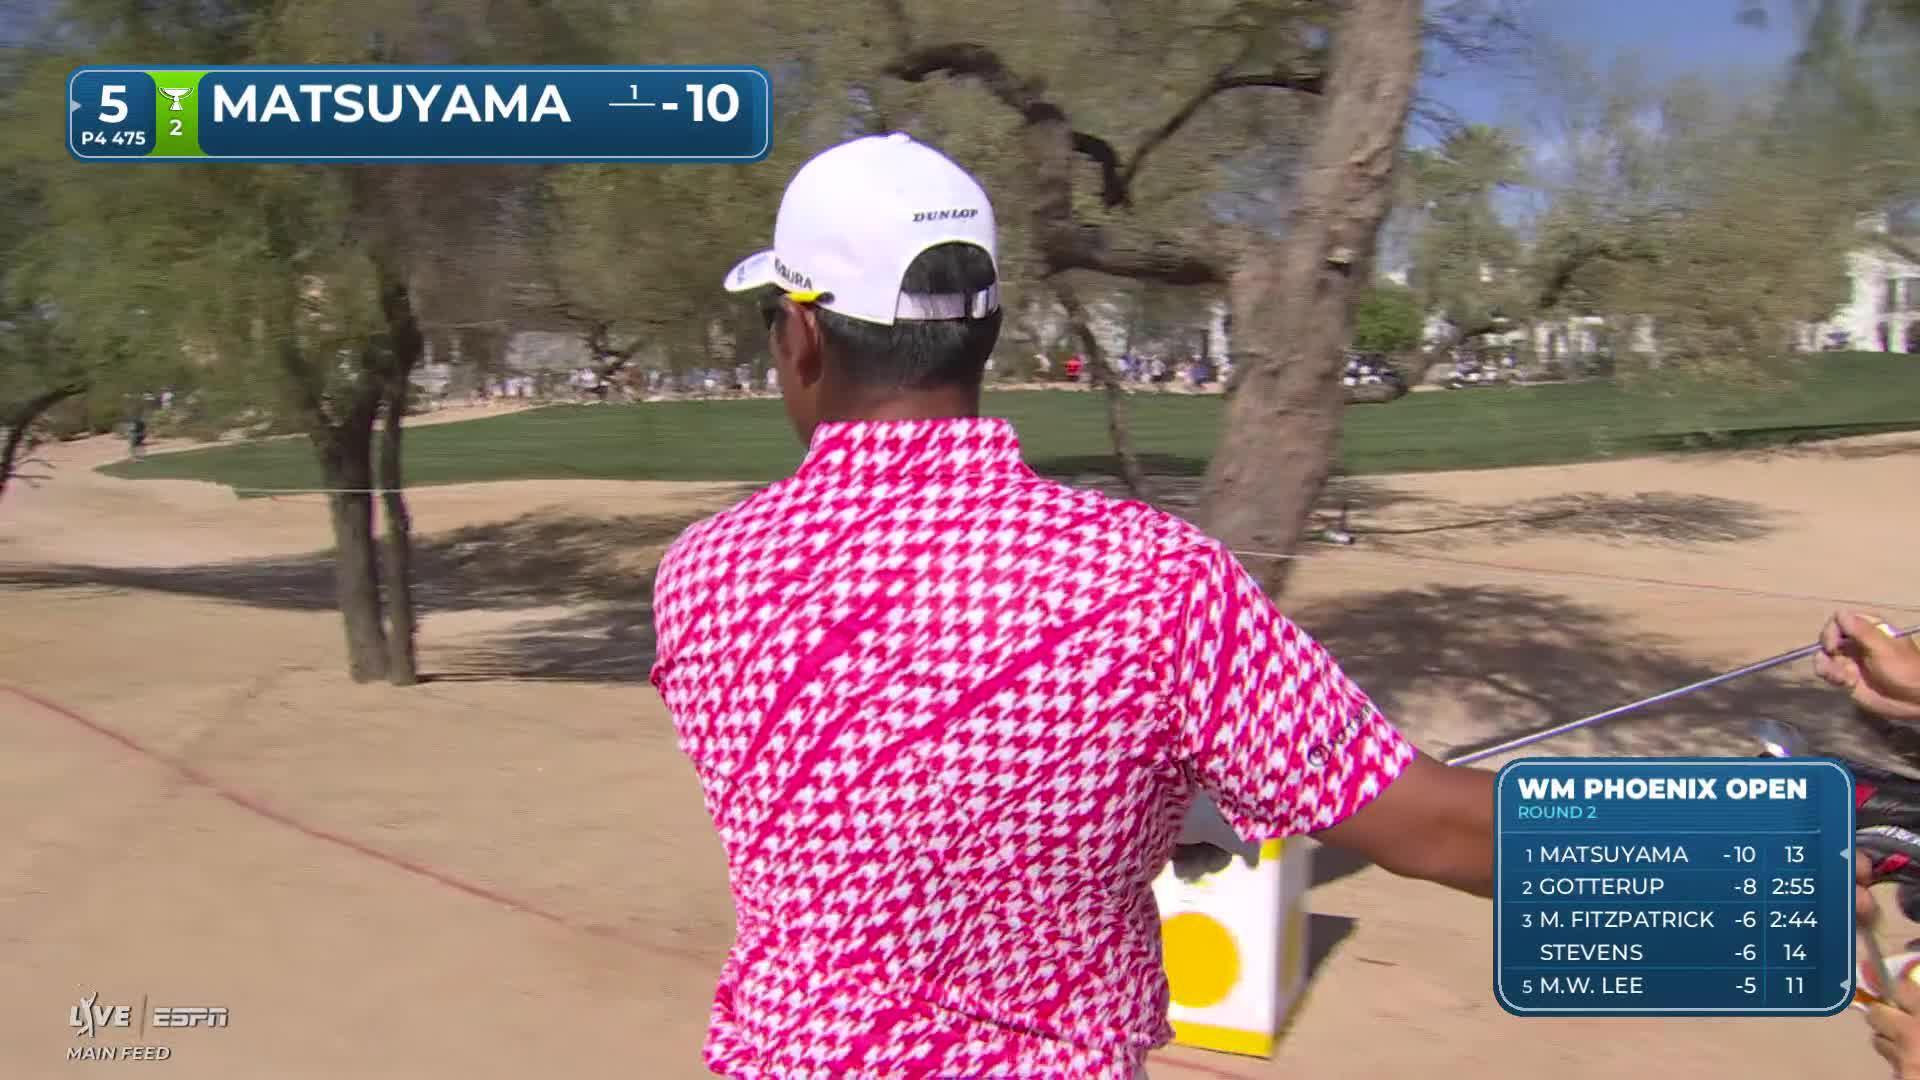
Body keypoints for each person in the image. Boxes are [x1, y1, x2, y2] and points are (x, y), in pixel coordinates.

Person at [648, 132, 1495, 1080]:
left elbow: (868, 798)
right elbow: (1442, 828)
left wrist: (1116, 795)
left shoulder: (703, 577)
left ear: (802, 335)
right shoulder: (1155, 580)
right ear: (987, 330)